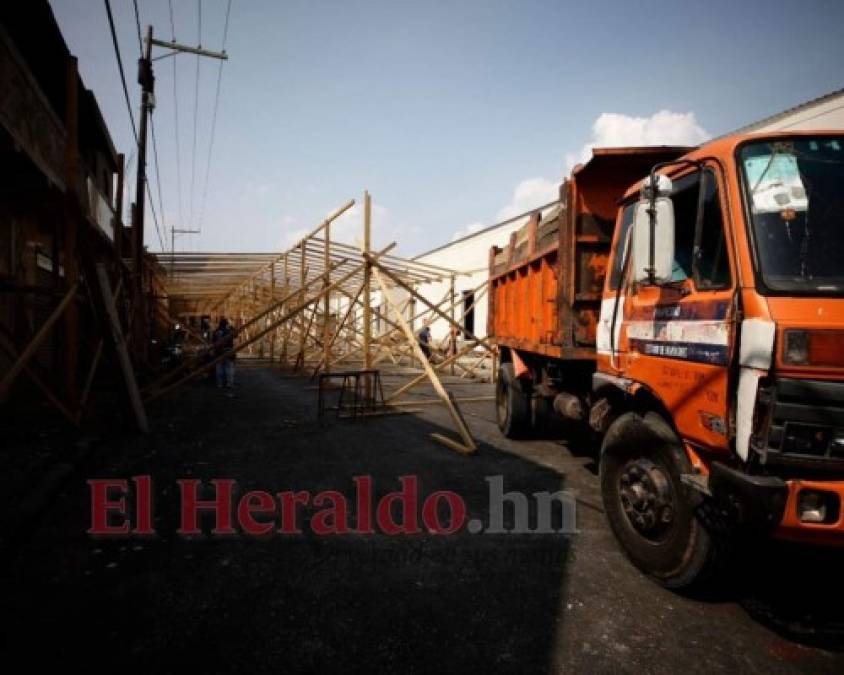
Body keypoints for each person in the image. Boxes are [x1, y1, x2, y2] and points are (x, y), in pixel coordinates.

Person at [213, 317, 236, 389]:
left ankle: (220, 384)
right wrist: (232, 327)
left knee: (219, 368)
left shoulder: (216, 331)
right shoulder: (229, 331)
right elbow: (236, 335)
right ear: (226, 324)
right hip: (228, 350)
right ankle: (229, 383)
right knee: (229, 368)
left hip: (219, 352)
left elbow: (213, 341)